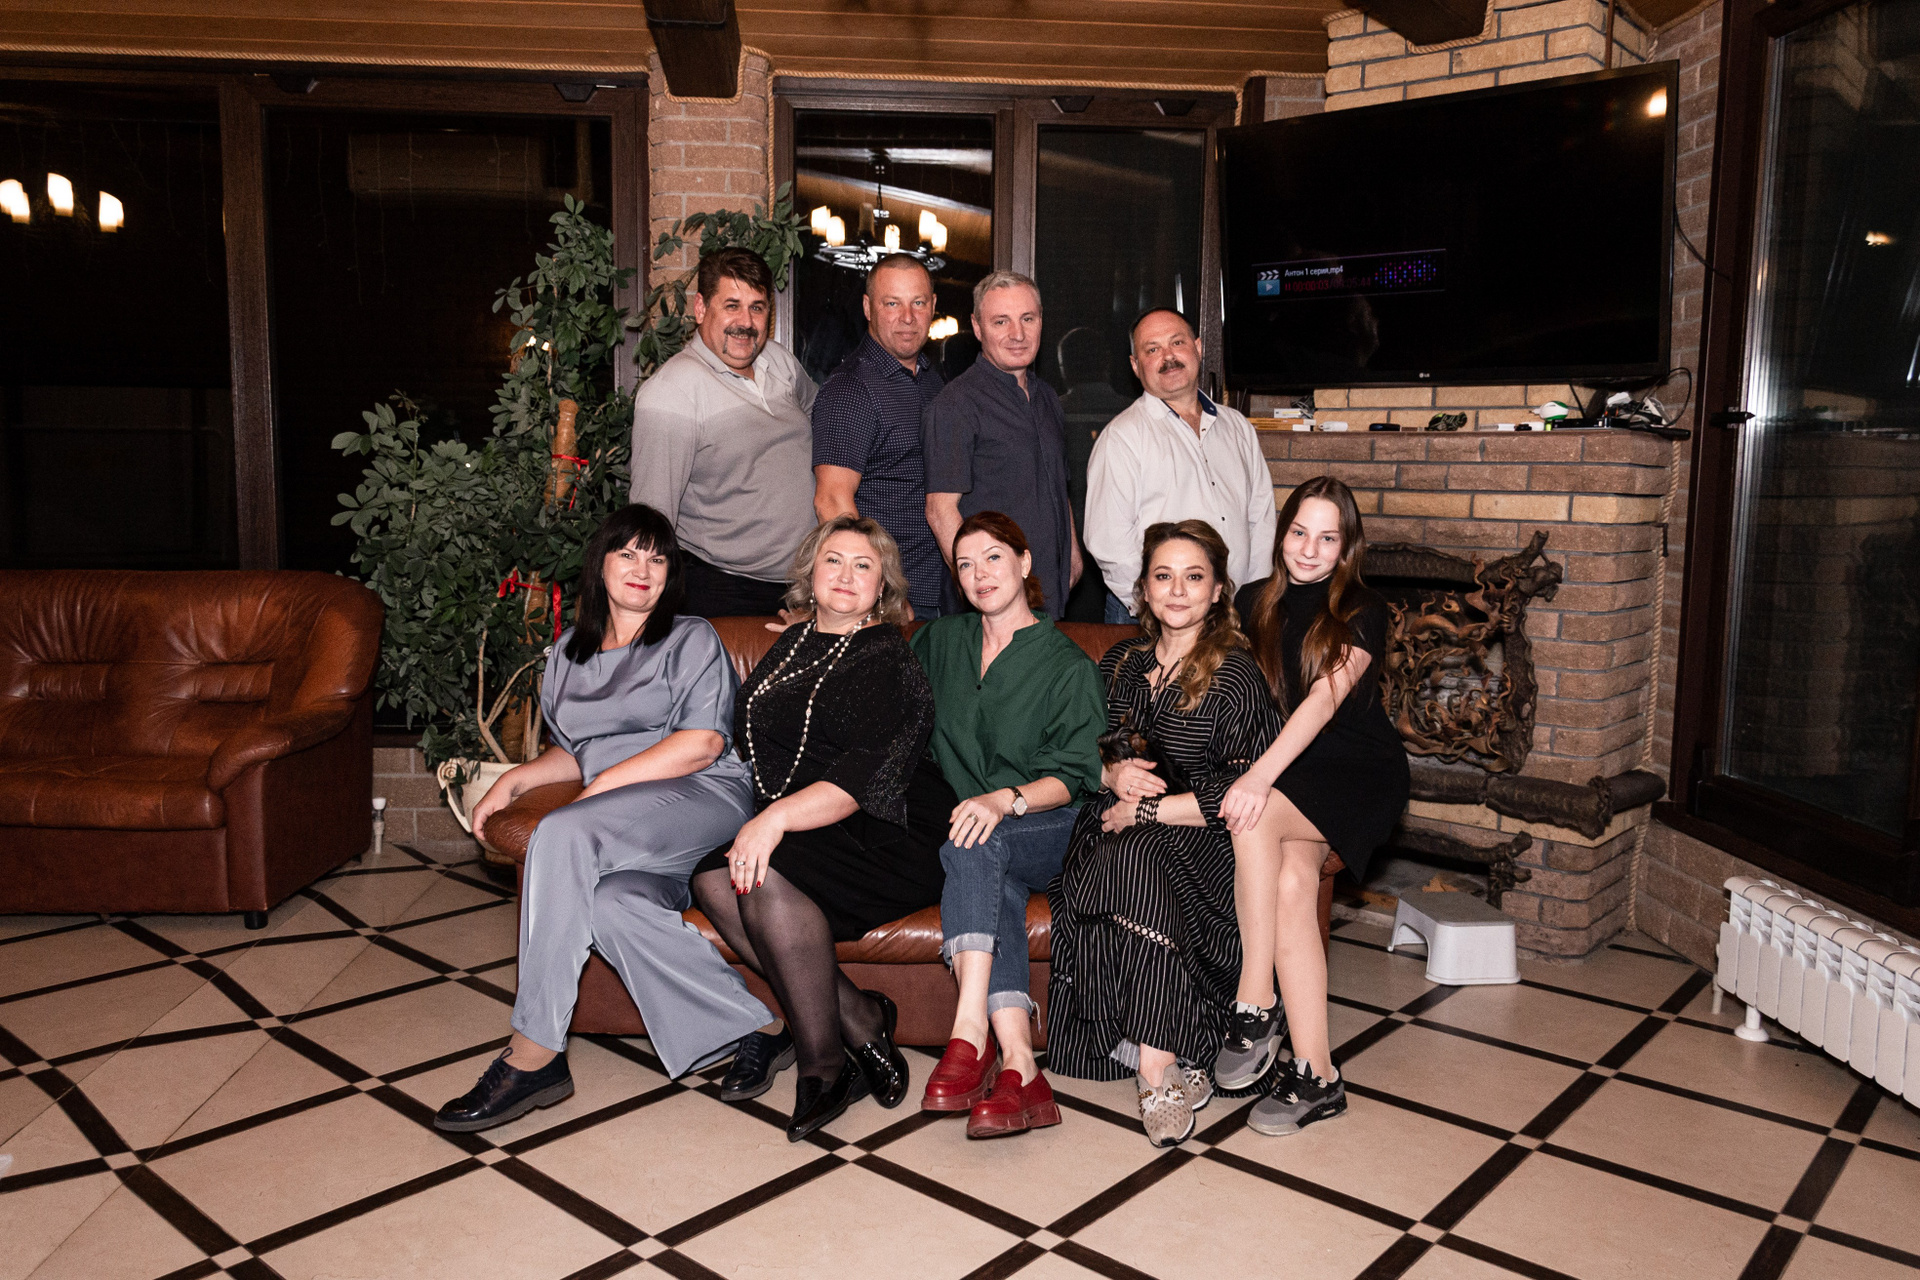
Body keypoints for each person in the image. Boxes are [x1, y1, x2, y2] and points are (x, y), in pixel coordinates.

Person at [434, 505, 772, 1131]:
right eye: (628, 553)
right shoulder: (568, 652)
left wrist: (601, 787)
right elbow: (576, 750)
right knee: (612, 905)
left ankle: (534, 1054)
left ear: (671, 574)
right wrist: (514, 779)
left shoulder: (690, 638)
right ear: (601, 564)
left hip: (702, 796)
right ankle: (753, 1027)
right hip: (622, 818)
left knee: (563, 833)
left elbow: (702, 743)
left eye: (658, 557)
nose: (643, 568)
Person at [688, 515, 957, 1142]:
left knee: (762, 875)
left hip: (893, 825)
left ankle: (823, 1063)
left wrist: (772, 821)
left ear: (882, 587)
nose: (846, 575)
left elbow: (863, 776)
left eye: (865, 566)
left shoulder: (887, 657)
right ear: (811, 573)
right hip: (819, 822)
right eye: (834, 560)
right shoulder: (795, 642)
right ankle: (860, 1015)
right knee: (711, 878)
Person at [1045, 520, 1281, 1148]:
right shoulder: (1120, 663)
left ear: (1219, 589)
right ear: (1144, 590)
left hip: (1205, 844)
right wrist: (1109, 773)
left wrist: (1147, 814)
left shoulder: (1236, 673)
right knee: (1125, 852)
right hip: (1112, 832)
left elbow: (1248, 793)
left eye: (1194, 577)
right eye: (1163, 576)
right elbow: (1081, 751)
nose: (1178, 590)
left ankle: (1154, 1067)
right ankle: (1174, 1055)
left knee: (1135, 853)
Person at [1220, 476, 1411, 1137]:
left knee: (1251, 813)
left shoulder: (1363, 608)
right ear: (1282, 535)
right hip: (1295, 767)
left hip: (1356, 770)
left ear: (1346, 548)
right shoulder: (1251, 601)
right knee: (1294, 885)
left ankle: (1255, 1000)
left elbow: (1324, 702)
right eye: (1299, 532)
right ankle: (1318, 1077)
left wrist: (1257, 777)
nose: (1309, 549)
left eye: (1327, 538)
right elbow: (1239, 693)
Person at [908, 512, 1105, 1137]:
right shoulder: (940, 642)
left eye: (993, 557)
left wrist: (1003, 801)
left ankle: (968, 1034)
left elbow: (1075, 774)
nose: (979, 574)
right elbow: (880, 667)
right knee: (988, 867)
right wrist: (817, 626)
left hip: (1054, 823)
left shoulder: (1066, 664)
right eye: (965, 564)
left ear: (1024, 563)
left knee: (977, 840)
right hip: (980, 835)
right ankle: (1021, 1065)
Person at [631, 247, 818, 618]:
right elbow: (650, 521)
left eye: (757, 307)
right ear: (701, 308)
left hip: (804, 590)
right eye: (732, 305)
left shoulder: (779, 361)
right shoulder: (671, 392)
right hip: (725, 593)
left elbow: (826, 423)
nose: (745, 322)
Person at [1085, 308, 1277, 625]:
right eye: (1152, 349)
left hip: (1231, 613)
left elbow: (1261, 518)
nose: (1168, 357)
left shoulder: (1237, 427)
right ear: (1135, 365)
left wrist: (1250, 601)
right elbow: (1109, 543)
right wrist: (1164, 608)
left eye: (1177, 342)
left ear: (1198, 348)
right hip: (1154, 618)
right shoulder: (1122, 437)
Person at [923, 271, 1082, 617]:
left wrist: (1071, 556)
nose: (1017, 334)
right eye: (1001, 321)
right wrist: (980, 586)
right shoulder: (956, 404)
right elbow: (940, 511)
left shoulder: (1048, 398)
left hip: (1048, 594)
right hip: (991, 607)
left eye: (1028, 318)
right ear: (977, 327)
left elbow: (1058, 484)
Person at [812, 255, 948, 618]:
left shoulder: (932, 381)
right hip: (892, 601)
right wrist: (884, 595)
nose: (908, 317)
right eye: (892, 304)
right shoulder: (850, 390)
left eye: (918, 303)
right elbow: (831, 501)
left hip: (940, 592)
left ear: (933, 305)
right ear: (868, 307)